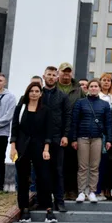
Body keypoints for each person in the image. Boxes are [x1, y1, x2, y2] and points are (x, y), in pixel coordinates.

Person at [10, 82, 55, 223]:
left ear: (41, 94)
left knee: (44, 177)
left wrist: (46, 149)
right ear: (27, 92)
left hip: (39, 146)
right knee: (23, 179)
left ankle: (48, 208)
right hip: (22, 147)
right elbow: (15, 128)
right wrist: (13, 147)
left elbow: (48, 130)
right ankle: (24, 210)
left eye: (37, 91)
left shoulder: (45, 110)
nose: (34, 93)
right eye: (32, 91)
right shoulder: (20, 108)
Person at [70, 79, 112, 203]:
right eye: (91, 86)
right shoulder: (80, 103)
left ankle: (92, 192)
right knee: (83, 166)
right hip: (82, 137)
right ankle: (82, 192)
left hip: (97, 138)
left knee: (95, 166)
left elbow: (108, 123)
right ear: (88, 88)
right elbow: (75, 122)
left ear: (99, 88)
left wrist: (109, 139)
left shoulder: (104, 105)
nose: (94, 88)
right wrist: (73, 139)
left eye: (96, 86)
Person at [42, 66, 71, 212]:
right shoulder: (37, 93)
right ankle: (43, 201)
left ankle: (59, 201)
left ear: (57, 77)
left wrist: (65, 135)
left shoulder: (62, 96)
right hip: (39, 138)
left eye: (54, 75)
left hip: (57, 137)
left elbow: (67, 116)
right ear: (44, 76)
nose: (51, 77)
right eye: (49, 74)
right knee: (41, 171)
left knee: (58, 171)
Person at [56, 63, 86, 202]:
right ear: (59, 72)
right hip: (56, 129)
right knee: (56, 163)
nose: (66, 74)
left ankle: (71, 190)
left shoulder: (78, 90)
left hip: (73, 130)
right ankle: (57, 190)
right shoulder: (53, 87)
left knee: (72, 162)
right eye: (64, 72)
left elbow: (85, 107)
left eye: (69, 72)